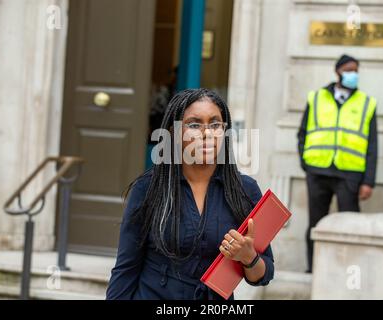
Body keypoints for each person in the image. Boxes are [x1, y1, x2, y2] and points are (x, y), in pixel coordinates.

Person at [106, 88, 274, 299]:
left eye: (215, 124)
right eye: (194, 124)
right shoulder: (148, 189)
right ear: (175, 133)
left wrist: (248, 257)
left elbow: (264, 274)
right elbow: (126, 269)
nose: (207, 133)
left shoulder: (245, 190)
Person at [297, 54, 378, 273]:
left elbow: (372, 145)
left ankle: (348, 271)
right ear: (338, 71)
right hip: (318, 170)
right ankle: (314, 270)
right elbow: (302, 133)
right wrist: (305, 163)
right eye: (350, 70)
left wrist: (368, 181)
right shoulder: (316, 98)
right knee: (316, 224)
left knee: (351, 225)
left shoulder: (366, 103)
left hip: (350, 174)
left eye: (356, 71)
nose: (354, 75)